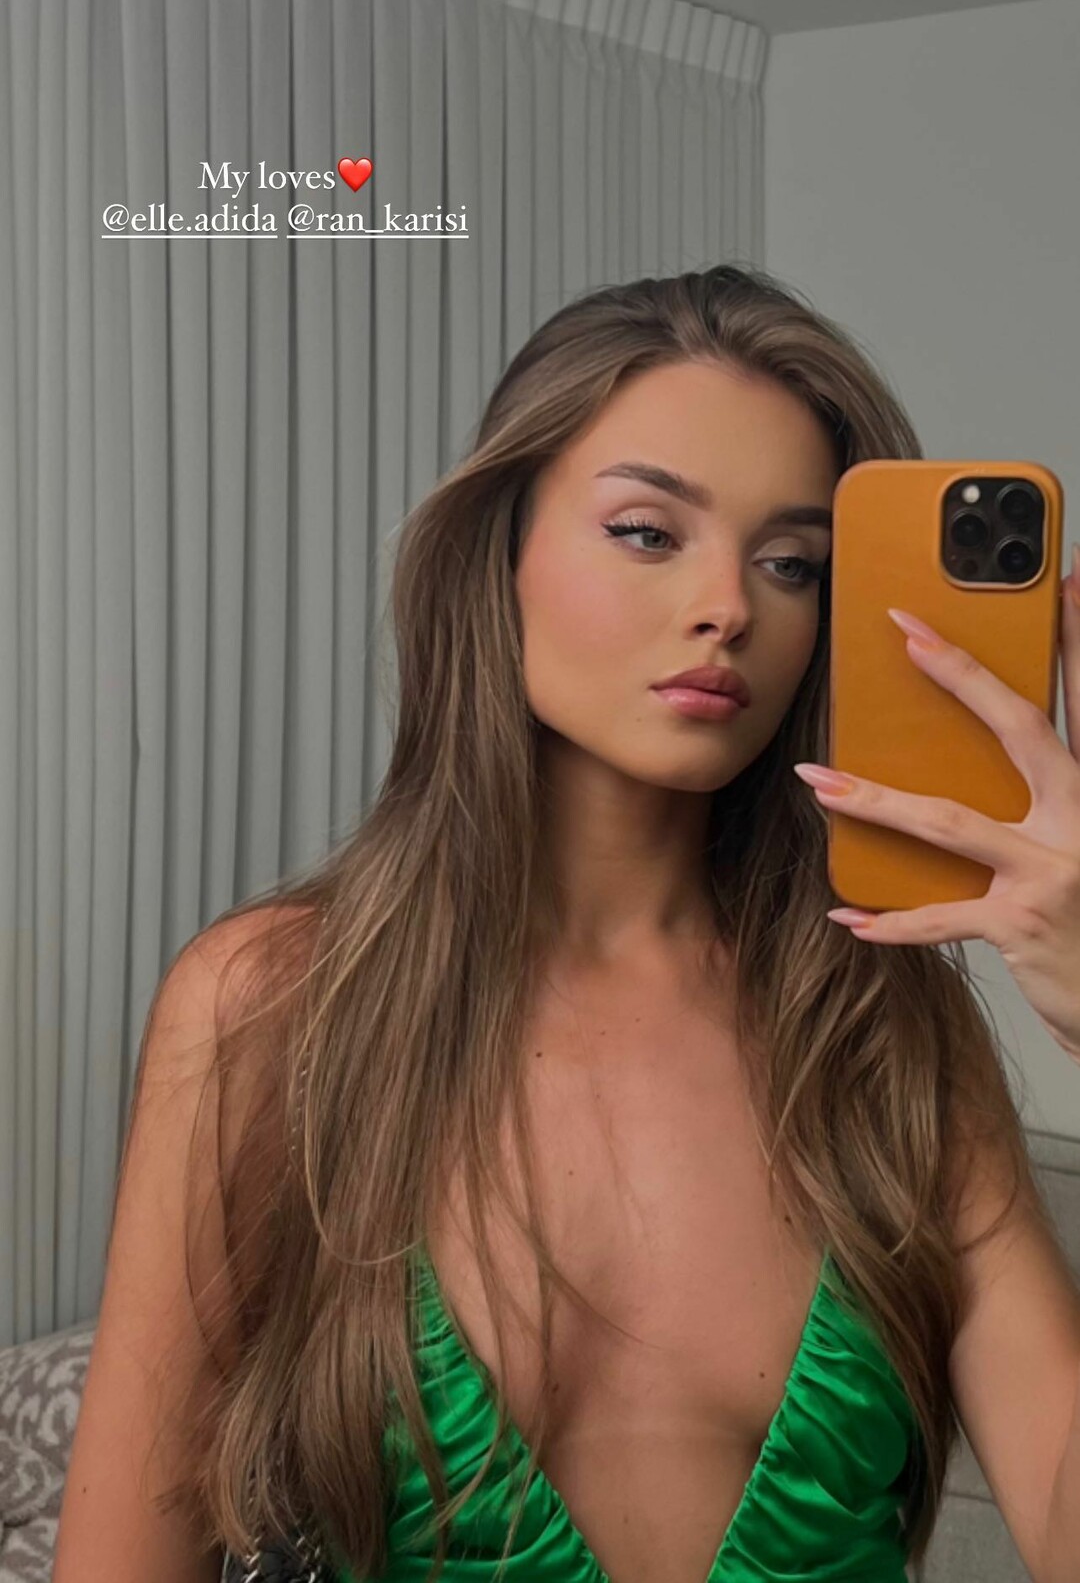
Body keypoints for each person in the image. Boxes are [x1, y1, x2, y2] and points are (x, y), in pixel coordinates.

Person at [54, 264, 1080, 1583]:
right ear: (502, 553)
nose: (729, 607)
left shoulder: (886, 1027)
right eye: (648, 532)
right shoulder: (273, 1007)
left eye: (791, 564)